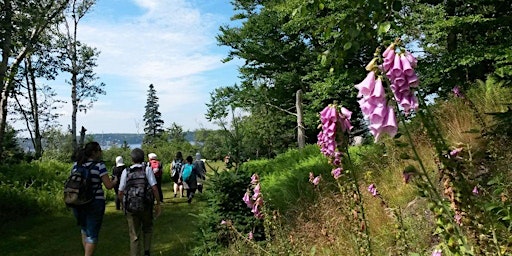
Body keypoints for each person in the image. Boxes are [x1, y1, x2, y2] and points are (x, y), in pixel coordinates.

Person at [71, 141, 117, 256]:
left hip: (78, 201)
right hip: (95, 202)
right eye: (99, 150)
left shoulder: (76, 165)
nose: (101, 152)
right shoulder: (99, 166)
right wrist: (115, 181)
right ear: (94, 152)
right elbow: (108, 186)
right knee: (92, 234)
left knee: (84, 229)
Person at [118, 148, 161, 256]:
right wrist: (158, 203)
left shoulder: (126, 171)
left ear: (132, 159)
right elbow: (154, 187)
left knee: (134, 235)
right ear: (143, 158)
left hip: (131, 206)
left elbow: (120, 191)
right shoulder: (147, 169)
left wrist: (123, 204)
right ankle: (146, 251)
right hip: (146, 204)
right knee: (147, 228)